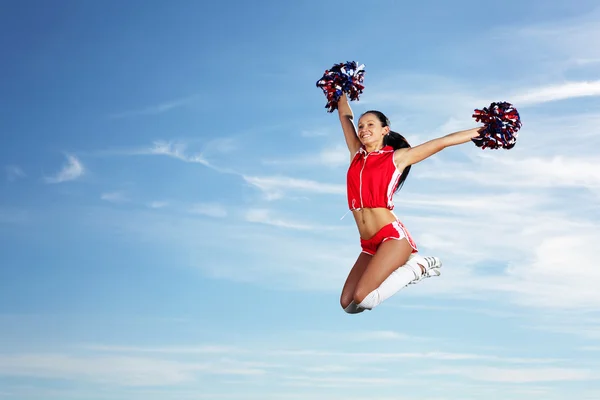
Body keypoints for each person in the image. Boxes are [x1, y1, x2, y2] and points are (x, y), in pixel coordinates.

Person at [337, 93, 483, 314]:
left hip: (392, 237)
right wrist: (340, 90)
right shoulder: (355, 154)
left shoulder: (397, 158)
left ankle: (418, 266)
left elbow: (442, 142)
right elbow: (344, 117)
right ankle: (411, 267)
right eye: (361, 125)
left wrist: (484, 130)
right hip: (368, 244)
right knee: (348, 304)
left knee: (364, 298)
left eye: (370, 124)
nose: (363, 128)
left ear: (385, 130)